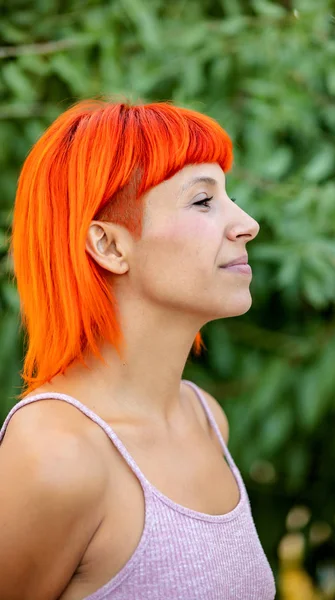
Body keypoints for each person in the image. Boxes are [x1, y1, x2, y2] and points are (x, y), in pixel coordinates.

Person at [0, 100, 276, 600]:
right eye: (202, 201)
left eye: (228, 197)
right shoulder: (55, 454)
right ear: (108, 246)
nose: (247, 223)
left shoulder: (205, 418)